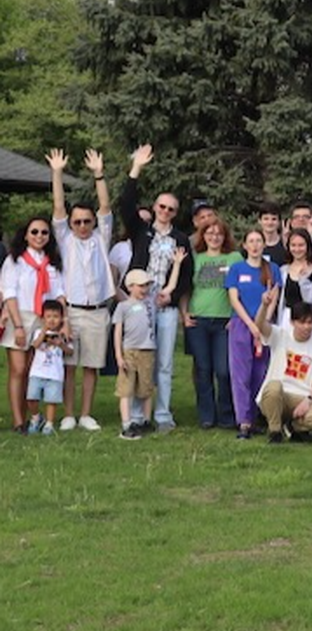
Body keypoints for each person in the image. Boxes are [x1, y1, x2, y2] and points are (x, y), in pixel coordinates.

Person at [119, 144, 194, 432]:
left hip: (165, 307)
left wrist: (171, 295)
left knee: (164, 363)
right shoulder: (142, 230)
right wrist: (136, 168)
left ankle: (162, 413)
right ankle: (138, 414)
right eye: (161, 206)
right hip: (140, 305)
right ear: (154, 207)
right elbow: (126, 204)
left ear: (175, 213)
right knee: (140, 360)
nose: (165, 211)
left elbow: (187, 275)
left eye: (170, 209)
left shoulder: (181, 239)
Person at [48, 148, 114, 433]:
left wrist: (98, 174)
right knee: (69, 366)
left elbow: (105, 207)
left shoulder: (101, 238)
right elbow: (58, 208)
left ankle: (86, 414)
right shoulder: (65, 239)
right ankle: (68, 414)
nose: (83, 226)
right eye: (78, 222)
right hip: (71, 312)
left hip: (98, 311)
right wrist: (57, 173)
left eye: (87, 221)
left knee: (90, 366)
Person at [2, 217, 66, 432]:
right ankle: (18, 421)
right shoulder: (15, 260)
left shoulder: (52, 262)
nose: (39, 236)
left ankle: (34, 416)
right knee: (18, 369)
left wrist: (63, 321)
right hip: (20, 316)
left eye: (44, 232)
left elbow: (59, 293)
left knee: (34, 370)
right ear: (26, 235)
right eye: (35, 232)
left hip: (43, 319)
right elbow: (9, 293)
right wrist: (18, 326)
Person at [185, 218, 242, 428]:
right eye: (210, 233)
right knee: (203, 369)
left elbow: (240, 290)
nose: (214, 237)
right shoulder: (196, 258)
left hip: (224, 322)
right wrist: (184, 313)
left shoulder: (234, 258)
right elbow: (187, 288)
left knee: (224, 370)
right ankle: (207, 416)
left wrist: (235, 317)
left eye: (219, 233)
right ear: (203, 236)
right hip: (198, 320)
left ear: (225, 236)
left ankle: (226, 415)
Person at [253, 291, 312, 443]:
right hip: (279, 394)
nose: (307, 327)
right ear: (292, 322)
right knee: (274, 387)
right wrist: (264, 305)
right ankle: (275, 431)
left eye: (310, 322)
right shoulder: (280, 335)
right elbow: (260, 325)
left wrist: (308, 401)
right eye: (302, 322)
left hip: (302, 396)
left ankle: (293, 426)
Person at [226, 229, 282, 437]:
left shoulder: (272, 269)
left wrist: (263, 323)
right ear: (245, 245)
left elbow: (274, 297)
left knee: (260, 373)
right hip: (241, 324)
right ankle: (243, 421)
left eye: (259, 241)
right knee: (241, 374)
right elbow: (234, 299)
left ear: (264, 244)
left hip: (264, 325)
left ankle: (256, 416)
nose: (255, 245)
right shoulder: (237, 269)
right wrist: (251, 325)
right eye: (251, 241)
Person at [113, 269, 159, 441]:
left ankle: (145, 420)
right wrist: (119, 356)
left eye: (146, 286)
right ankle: (127, 424)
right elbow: (118, 332)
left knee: (146, 387)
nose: (144, 289)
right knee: (126, 388)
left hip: (147, 349)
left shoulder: (150, 303)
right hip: (129, 351)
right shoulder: (123, 306)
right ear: (130, 286)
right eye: (140, 286)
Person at [25, 299, 71, 435]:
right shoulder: (38, 332)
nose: (52, 320)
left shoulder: (64, 334)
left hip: (54, 374)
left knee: (51, 400)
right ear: (43, 318)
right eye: (48, 316)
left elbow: (70, 351)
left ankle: (49, 423)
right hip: (37, 372)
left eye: (56, 317)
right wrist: (44, 333)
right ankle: (36, 417)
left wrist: (60, 344)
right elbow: (35, 345)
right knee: (31, 397)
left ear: (61, 319)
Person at [277, 229, 312, 339]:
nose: (297, 249)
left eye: (301, 245)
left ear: (308, 246)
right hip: (287, 323)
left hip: (310, 324)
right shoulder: (283, 270)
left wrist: (304, 282)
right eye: (293, 245)